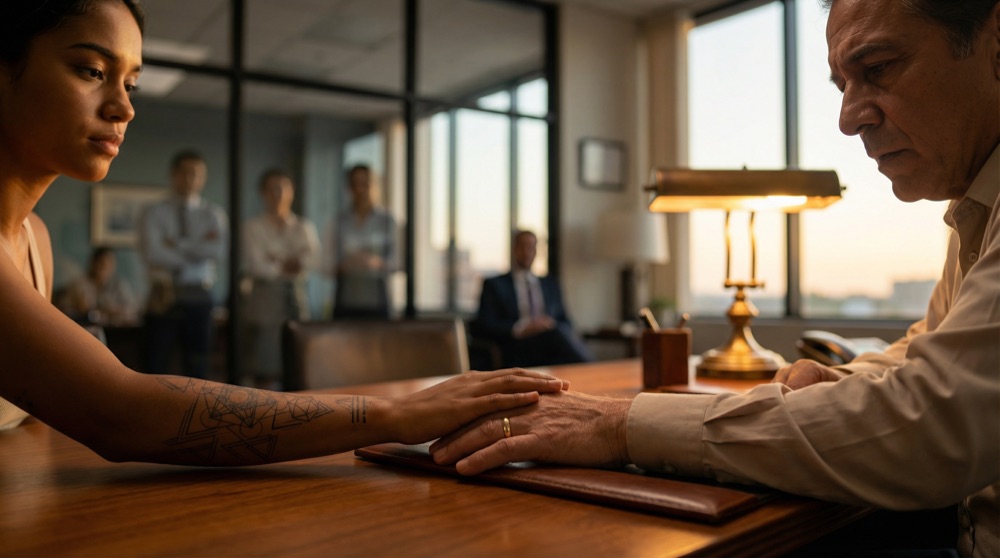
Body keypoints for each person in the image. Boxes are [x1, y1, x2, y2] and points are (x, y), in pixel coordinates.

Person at [431, 1, 1000, 556]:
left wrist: (616, 424)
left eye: (877, 69)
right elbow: (925, 350)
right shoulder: (973, 209)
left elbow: (932, 423)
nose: (848, 118)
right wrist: (844, 380)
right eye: (841, 86)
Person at [0, 0, 567, 466]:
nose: (122, 107)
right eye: (92, 71)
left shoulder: (37, 239)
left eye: (132, 83)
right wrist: (393, 415)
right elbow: (120, 413)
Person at [138, 149, 227, 378]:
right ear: (174, 175)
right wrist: (196, 252)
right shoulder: (154, 213)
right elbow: (154, 253)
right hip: (164, 293)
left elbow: (216, 251)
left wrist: (176, 244)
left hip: (200, 294)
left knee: (198, 365)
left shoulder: (214, 215)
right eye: (186, 173)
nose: (191, 179)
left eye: (197, 174)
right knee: (155, 364)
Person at [241, 168, 319, 389]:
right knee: (265, 369)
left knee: (298, 366)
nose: (278, 193)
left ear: (292, 192)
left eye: (283, 188)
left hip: (296, 300)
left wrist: (274, 258)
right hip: (265, 303)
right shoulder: (252, 227)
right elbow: (258, 267)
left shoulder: (304, 227)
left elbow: (312, 261)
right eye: (272, 188)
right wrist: (288, 262)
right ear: (263, 193)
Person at [472, 230, 593, 368]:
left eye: (531, 247)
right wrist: (522, 328)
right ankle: (594, 370)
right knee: (557, 337)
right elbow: (483, 326)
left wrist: (548, 324)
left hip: (551, 346)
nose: (526, 251)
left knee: (560, 336)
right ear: (514, 249)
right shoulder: (495, 285)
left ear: (536, 251)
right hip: (515, 349)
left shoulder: (549, 284)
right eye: (522, 246)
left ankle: (588, 375)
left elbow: (565, 321)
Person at [324, 164, 396, 319]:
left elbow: (398, 262)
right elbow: (326, 264)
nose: (361, 189)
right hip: (345, 300)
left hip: (378, 301)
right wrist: (345, 265)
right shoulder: (338, 221)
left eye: (366, 183)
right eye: (355, 184)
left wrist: (374, 262)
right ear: (349, 188)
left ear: (376, 185)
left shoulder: (388, 222)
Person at [58, 245, 138, 325]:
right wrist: (78, 308)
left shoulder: (119, 286)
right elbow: (64, 310)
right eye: (102, 263)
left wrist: (108, 310)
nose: (106, 267)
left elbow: (131, 310)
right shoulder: (78, 285)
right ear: (94, 263)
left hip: (115, 331)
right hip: (84, 329)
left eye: (110, 264)